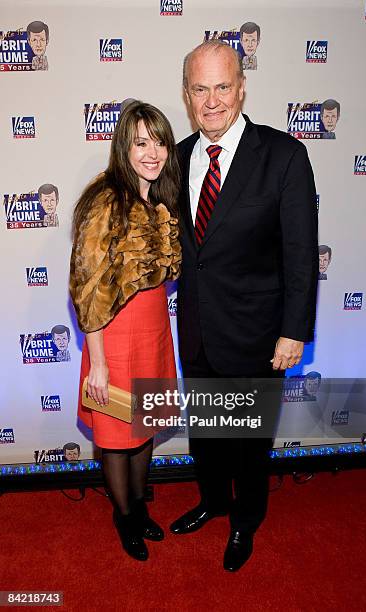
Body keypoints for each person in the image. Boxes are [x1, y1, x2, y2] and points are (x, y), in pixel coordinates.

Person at [170, 40, 318, 571]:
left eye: (222, 86)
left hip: (259, 335)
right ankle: (212, 500)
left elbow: (301, 254)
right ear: (187, 95)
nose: (212, 101)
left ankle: (245, 521)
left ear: (242, 86)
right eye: (200, 88)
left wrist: (293, 331)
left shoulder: (283, 156)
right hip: (197, 331)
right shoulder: (179, 157)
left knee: (251, 442)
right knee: (208, 432)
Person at [70, 100, 181, 561]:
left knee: (145, 426)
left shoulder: (160, 196)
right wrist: (98, 361)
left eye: (158, 142)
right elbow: (87, 284)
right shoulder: (106, 199)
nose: (151, 152)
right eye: (140, 143)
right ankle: (125, 517)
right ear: (124, 146)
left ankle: (139, 506)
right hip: (112, 334)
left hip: (154, 326)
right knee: (117, 436)